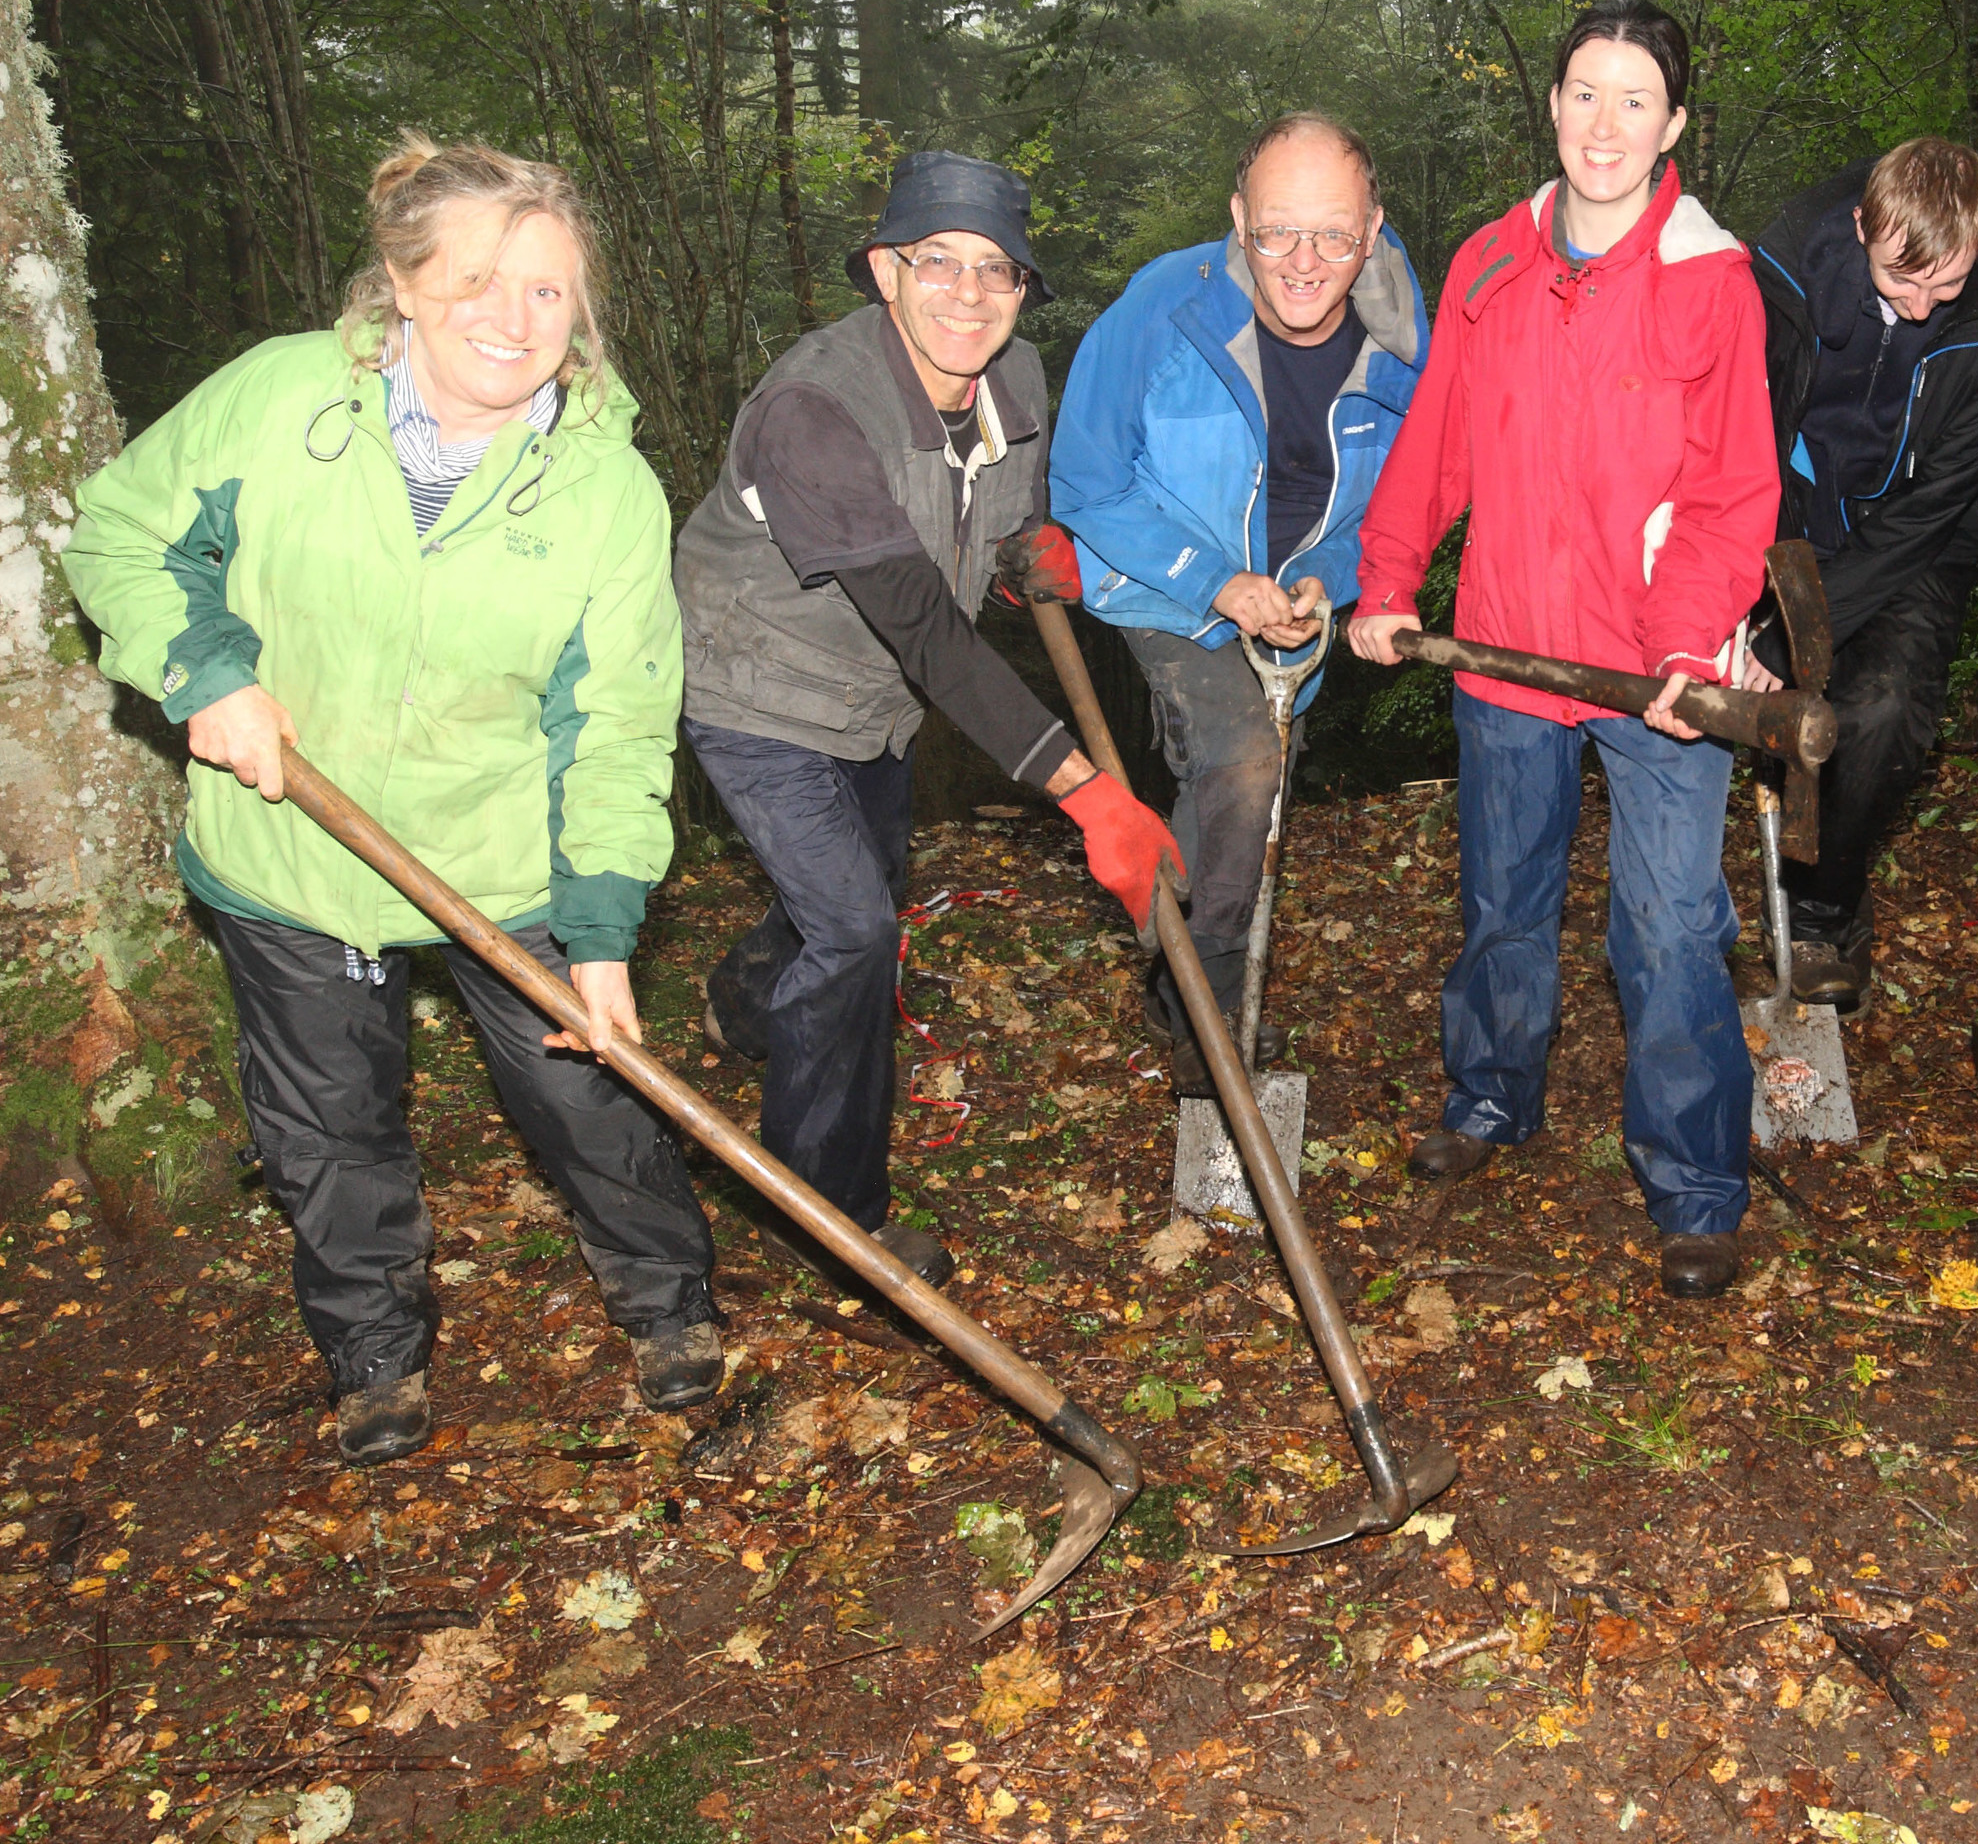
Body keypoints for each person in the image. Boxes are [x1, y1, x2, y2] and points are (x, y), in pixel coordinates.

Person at [64, 137, 722, 1465]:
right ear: (405, 285)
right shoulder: (278, 402)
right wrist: (203, 669)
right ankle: (372, 1355)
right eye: (474, 279)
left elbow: (615, 726)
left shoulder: (605, 493)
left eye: (547, 292)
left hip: (502, 861)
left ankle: (670, 1310)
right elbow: (120, 532)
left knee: (593, 1101)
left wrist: (598, 934)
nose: (510, 317)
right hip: (291, 851)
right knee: (327, 1129)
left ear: (580, 316)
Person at [676, 151, 1178, 1291]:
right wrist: (1087, 793)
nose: (967, 293)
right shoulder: (814, 410)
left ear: (1022, 291)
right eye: (936, 263)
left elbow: (979, 522)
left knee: (848, 904)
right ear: (884, 272)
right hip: (754, 687)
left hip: (876, 703)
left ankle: (741, 1003)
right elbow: (920, 624)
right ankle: (834, 1225)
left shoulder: (1017, 386)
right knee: (855, 931)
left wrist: (1029, 550)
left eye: (994, 271)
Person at [1351, 0, 1779, 1300]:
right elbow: (1436, 443)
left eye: (1635, 98)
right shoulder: (1490, 264)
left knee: (1666, 927)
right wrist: (1386, 577)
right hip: (1504, 657)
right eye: (1585, 92)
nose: (1605, 123)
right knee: (1505, 905)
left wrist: (1678, 654)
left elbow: (1729, 493)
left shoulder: (1714, 281)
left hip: (1661, 675)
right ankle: (1490, 1100)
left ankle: (1698, 1189)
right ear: (1552, 104)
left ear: (1675, 124)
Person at [1049, 115, 1426, 1089]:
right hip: (1159, 584)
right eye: (1277, 232)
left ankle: (1179, 968)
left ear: (1375, 229)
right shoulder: (1165, 304)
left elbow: (1404, 485)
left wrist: (1326, 578)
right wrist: (1215, 580)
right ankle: (1206, 1028)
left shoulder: (1402, 331)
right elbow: (1086, 479)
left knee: (1234, 790)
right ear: (1237, 220)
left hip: (1287, 607)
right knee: (1247, 762)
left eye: (1336, 235)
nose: (1305, 262)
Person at [1749, 137, 1978, 1008]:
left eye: (1945, 285)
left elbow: (1941, 501)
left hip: (1922, 524)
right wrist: (1749, 594)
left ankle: (1824, 909)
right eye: (1899, 279)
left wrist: (1802, 627)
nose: (1921, 307)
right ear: (1861, 227)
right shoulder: (1786, 265)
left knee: (1880, 707)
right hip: (1796, 506)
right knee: (1748, 689)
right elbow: (1748, 420)